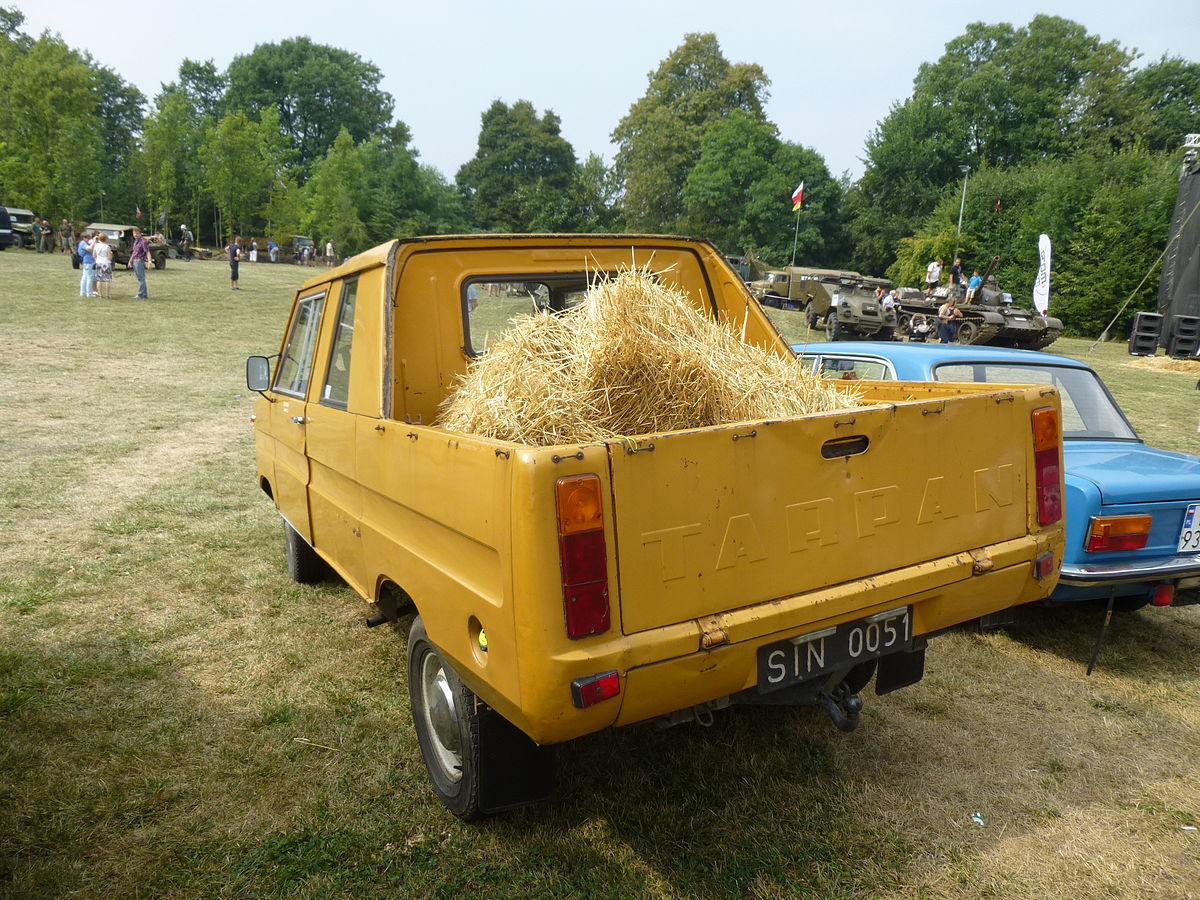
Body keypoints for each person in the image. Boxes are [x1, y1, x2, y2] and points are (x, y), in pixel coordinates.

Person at [129, 227, 151, 299]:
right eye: (134, 233)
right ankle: (143, 294)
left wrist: (149, 262)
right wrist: (130, 261)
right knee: (140, 279)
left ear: (140, 233)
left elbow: (147, 252)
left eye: (137, 233)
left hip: (139, 261)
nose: (135, 235)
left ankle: (142, 294)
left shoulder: (143, 241)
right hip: (135, 261)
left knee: (141, 278)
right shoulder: (135, 241)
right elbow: (134, 252)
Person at [92, 232, 114, 298]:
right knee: (107, 280)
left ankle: (100, 294)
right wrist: (111, 254)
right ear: (106, 239)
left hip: (99, 262)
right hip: (106, 263)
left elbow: (94, 255)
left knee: (99, 279)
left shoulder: (96, 245)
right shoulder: (107, 247)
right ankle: (107, 295)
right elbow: (109, 257)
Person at [77, 231, 96, 297]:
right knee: (89, 277)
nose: (88, 239)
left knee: (85, 277)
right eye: (87, 238)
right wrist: (94, 241)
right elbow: (90, 248)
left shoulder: (85, 243)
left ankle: (83, 292)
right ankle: (89, 293)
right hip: (88, 261)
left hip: (88, 261)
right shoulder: (83, 243)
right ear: (83, 238)